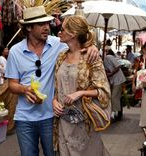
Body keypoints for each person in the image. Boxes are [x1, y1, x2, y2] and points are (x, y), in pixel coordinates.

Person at [4, 6, 99, 156]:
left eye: (47, 23)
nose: (46, 27)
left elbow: (78, 42)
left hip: (52, 116)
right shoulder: (15, 51)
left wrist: (92, 46)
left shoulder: (58, 44)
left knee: (53, 153)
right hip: (24, 118)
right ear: (29, 27)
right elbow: (12, 84)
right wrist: (25, 89)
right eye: (41, 24)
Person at [52, 15, 111, 156]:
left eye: (63, 29)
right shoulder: (61, 56)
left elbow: (103, 91)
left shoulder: (91, 57)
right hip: (63, 121)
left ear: (73, 34)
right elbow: (57, 87)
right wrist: (54, 101)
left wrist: (80, 93)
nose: (59, 32)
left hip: (84, 122)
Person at [103, 47, 126, 122]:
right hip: (114, 80)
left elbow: (118, 66)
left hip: (118, 79)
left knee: (114, 97)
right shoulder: (104, 59)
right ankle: (117, 114)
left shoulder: (108, 57)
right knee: (115, 97)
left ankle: (115, 115)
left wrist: (111, 74)